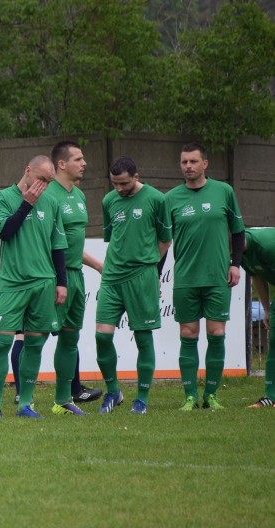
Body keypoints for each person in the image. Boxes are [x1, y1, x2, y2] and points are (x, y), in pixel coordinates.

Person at [0, 155, 67, 419]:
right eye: (41, 179)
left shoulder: (52, 202)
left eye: (49, 182)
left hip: (44, 283)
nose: (44, 186)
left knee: (35, 345)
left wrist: (62, 282)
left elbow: (58, 245)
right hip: (13, 283)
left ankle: (25, 404)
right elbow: (5, 232)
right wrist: (26, 205)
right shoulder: (2, 198)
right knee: (2, 343)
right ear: (27, 171)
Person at [165, 143, 244, 411]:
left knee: (216, 332)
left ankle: (211, 396)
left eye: (193, 161)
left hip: (218, 277)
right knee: (188, 334)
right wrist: (154, 273)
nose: (188, 166)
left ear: (205, 164)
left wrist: (236, 264)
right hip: (186, 278)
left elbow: (238, 230)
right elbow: (163, 241)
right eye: (184, 162)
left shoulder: (224, 192)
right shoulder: (171, 199)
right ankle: (189, 396)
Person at [94, 157, 173, 414]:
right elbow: (113, 237)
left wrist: (152, 270)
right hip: (112, 277)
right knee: (102, 335)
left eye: (124, 183)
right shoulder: (108, 201)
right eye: (114, 183)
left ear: (136, 176)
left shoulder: (156, 200)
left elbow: (165, 241)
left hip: (142, 276)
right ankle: (113, 391)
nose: (119, 188)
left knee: (142, 337)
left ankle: (141, 398)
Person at [44, 141, 104, 414]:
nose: (84, 163)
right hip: (52, 278)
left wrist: (98, 266)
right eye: (78, 159)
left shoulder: (78, 195)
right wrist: (56, 278)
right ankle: (24, 400)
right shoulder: (47, 194)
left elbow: (74, 246)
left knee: (70, 338)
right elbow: (45, 242)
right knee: (33, 338)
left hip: (76, 277)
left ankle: (62, 400)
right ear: (62, 164)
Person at [241, 228, 274, 408]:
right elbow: (257, 276)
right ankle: (271, 397)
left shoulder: (266, 245)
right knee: (274, 340)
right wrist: (267, 309)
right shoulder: (241, 253)